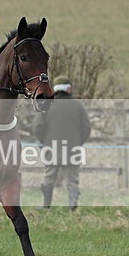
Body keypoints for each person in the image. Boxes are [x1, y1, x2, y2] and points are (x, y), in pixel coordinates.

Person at [32, 76, 91, 210]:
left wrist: (44, 142)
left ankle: (46, 205)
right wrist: (78, 142)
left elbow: (38, 127)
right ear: (69, 89)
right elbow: (86, 128)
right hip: (73, 149)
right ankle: (72, 205)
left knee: (49, 177)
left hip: (51, 148)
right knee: (72, 179)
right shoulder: (78, 106)